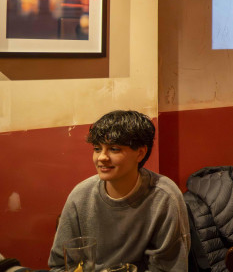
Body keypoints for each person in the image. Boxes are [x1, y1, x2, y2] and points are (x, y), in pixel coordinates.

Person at [48, 110, 190, 272]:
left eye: (114, 149)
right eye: (97, 148)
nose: (102, 157)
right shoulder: (80, 195)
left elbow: (169, 268)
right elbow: (60, 265)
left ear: (140, 153)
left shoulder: (164, 197)